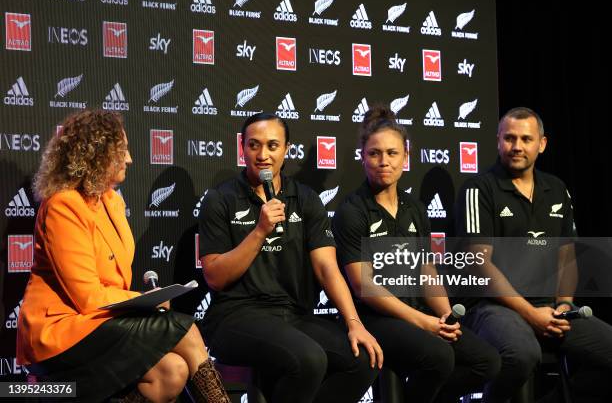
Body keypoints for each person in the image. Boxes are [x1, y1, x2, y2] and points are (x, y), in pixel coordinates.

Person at [16, 109, 230, 403]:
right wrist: (140, 302)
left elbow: (112, 283)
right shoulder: (63, 205)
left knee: (173, 370)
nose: (129, 159)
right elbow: (88, 299)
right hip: (60, 331)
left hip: (100, 324)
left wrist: (147, 300)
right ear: (97, 155)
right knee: (186, 328)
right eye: (122, 151)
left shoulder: (112, 201)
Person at [198, 112, 383, 403]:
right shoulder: (220, 200)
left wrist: (354, 322)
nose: (263, 155)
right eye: (254, 145)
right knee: (309, 359)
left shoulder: (305, 199)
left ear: (286, 150)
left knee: (363, 359)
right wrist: (260, 231)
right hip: (235, 316)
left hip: (292, 315)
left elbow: (326, 267)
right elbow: (215, 277)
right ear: (242, 148)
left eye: (272, 146)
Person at [332, 105, 500, 402]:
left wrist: (445, 315)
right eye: (375, 153)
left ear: (406, 157)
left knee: (487, 361)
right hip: (374, 317)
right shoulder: (352, 211)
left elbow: (426, 272)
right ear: (363, 157)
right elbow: (364, 287)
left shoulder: (416, 209)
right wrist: (422, 322)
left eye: (392, 153)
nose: (384, 161)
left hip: (418, 313)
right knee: (439, 357)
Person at [455, 107, 612, 402]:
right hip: (492, 307)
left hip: (550, 307)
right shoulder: (479, 188)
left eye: (526, 139)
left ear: (541, 144)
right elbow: (479, 265)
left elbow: (567, 256)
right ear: (498, 141)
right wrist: (530, 314)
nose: (517, 146)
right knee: (522, 354)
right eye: (509, 138)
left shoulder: (557, 188)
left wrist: (565, 304)